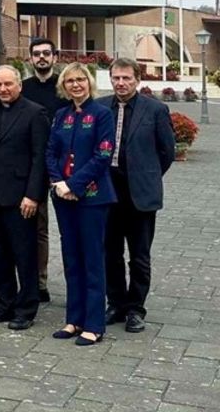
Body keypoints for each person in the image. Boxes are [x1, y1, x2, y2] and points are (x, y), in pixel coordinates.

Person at [0, 65, 49, 331]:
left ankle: (26, 308)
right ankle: (3, 303)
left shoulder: (35, 113)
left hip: (20, 198)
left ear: (19, 85)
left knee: (24, 255)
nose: (3, 89)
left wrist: (33, 195)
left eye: (8, 84)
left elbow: (40, 158)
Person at [46, 62, 117, 346]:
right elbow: (51, 152)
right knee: (71, 258)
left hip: (92, 198)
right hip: (63, 197)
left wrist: (74, 185)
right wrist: (58, 183)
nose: (76, 85)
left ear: (89, 82)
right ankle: (74, 319)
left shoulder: (102, 114)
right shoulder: (61, 115)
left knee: (92, 260)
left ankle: (94, 324)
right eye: (70, 81)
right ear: (64, 86)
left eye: (80, 80)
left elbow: (103, 156)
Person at [104, 58, 175, 333]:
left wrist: (146, 175)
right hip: (108, 192)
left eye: (126, 78)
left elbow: (166, 152)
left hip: (140, 194)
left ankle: (136, 308)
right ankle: (116, 303)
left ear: (137, 80)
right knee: (110, 252)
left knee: (139, 256)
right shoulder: (99, 107)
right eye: (116, 78)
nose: (121, 83)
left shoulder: (155, 109)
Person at [22, 38, 60, 303]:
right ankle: (36, 281)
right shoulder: (22, 89)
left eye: (46, 53)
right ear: (31, 59)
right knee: (36, 226)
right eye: (37, 54)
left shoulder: (65, 87)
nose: (42, 58)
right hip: (31, 165)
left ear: (54, 57)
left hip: (62, 167)